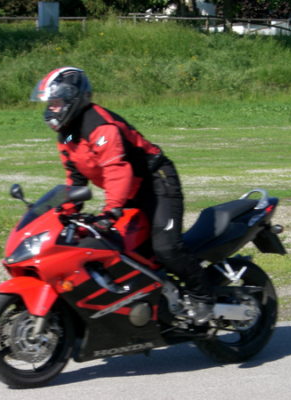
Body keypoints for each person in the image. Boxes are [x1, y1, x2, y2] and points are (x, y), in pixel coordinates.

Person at [30, 66, 213, 325]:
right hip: (128, 191)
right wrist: (65, 213)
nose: (52, 109)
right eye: (51, 103)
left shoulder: (99, 124)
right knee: (117, 249)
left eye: (58, 102)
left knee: (166, 247)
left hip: (156, 183)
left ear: (75, 98)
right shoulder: (67, 134)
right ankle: (152, 307)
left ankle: (203, 297)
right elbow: (75, 178)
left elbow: (117, 169)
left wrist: (111, 210)